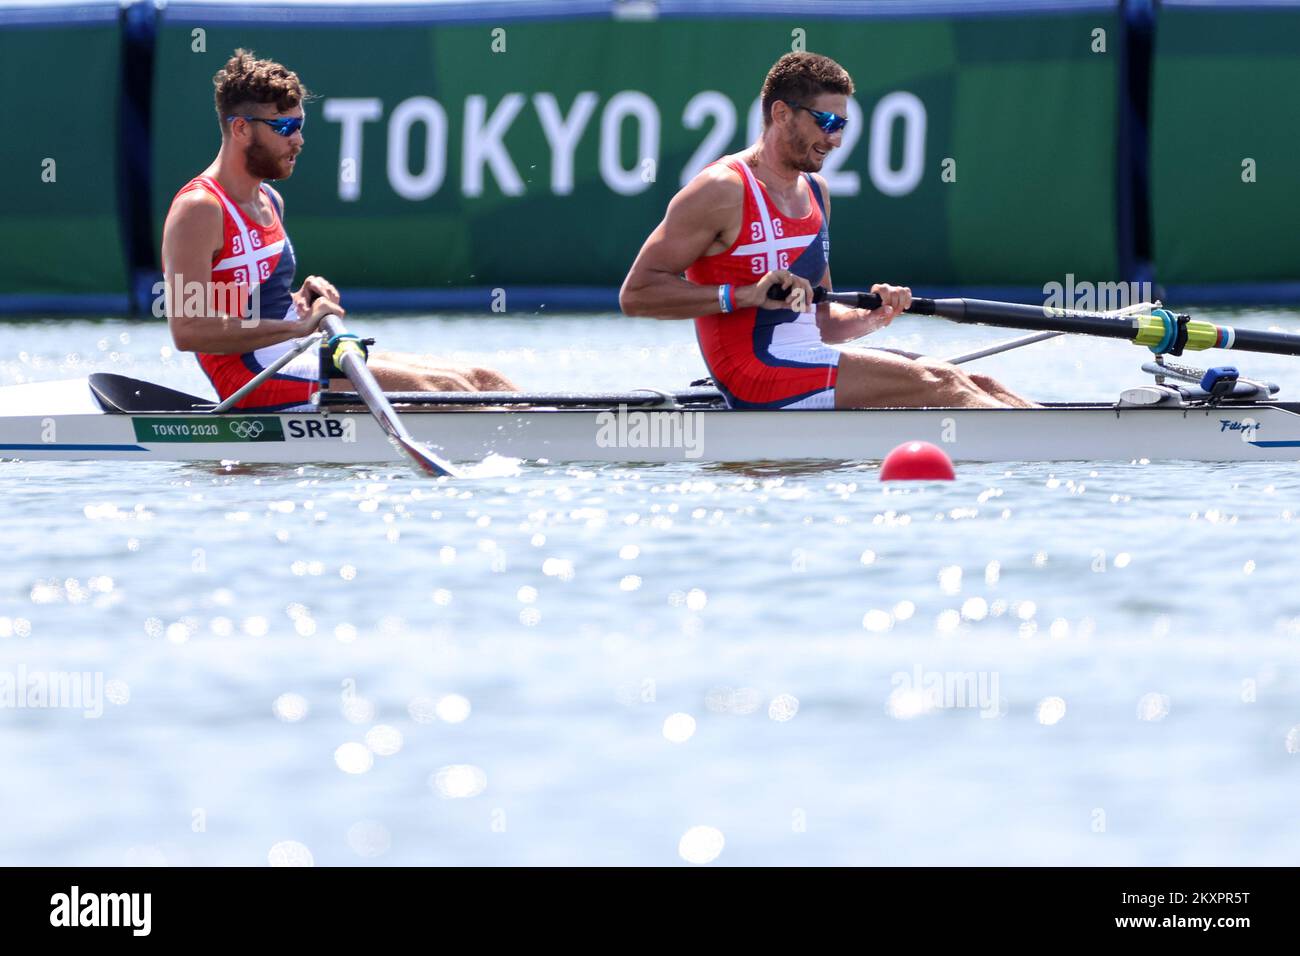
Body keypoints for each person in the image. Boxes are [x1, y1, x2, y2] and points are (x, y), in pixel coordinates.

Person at [620, 51, 1034, 410]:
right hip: (754, 374)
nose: (835, 139)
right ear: (782, 114)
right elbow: (637, 295)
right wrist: (744, 295)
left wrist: (875, 313)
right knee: (941, 384)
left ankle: (1068, 449)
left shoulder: (816, 192)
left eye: (842, 125)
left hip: (805, 356)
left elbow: (823, 322)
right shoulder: (721, 190)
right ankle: (1046, 463)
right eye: (826, 121)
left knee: (976, 382)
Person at [161, 49, 516, 411]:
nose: (298, 141)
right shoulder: (199, 210)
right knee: (442, 387)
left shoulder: (270, 199)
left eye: (300, 125)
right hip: (253, 380)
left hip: (292, 355)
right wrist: (298, 328)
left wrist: (301, 301)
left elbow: (251, 301)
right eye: (285, 128)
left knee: (482, 379)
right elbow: (189, 329)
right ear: (240, 128)